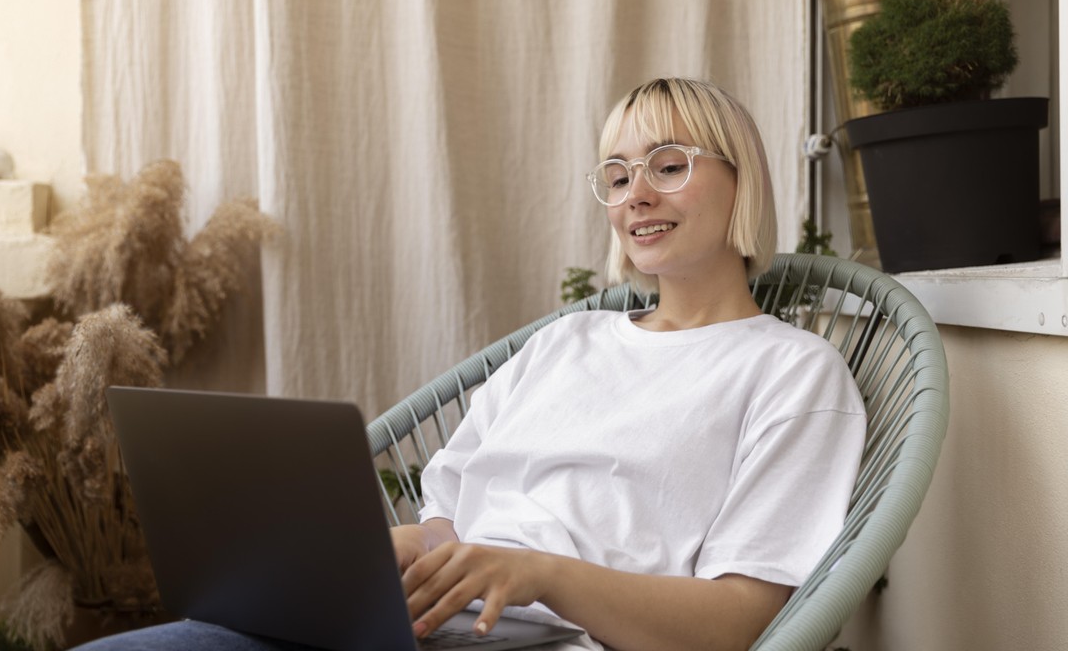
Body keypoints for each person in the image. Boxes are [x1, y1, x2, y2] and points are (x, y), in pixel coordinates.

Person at [74, 77, 866, 651]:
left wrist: (539, 574)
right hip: (423, 623)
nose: (634, 196)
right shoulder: (567, 345)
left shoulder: (792, 374)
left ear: (741, 178)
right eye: (618, 177)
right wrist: (377, 554)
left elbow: (741, 625)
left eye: (668, 165)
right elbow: (449, 518)